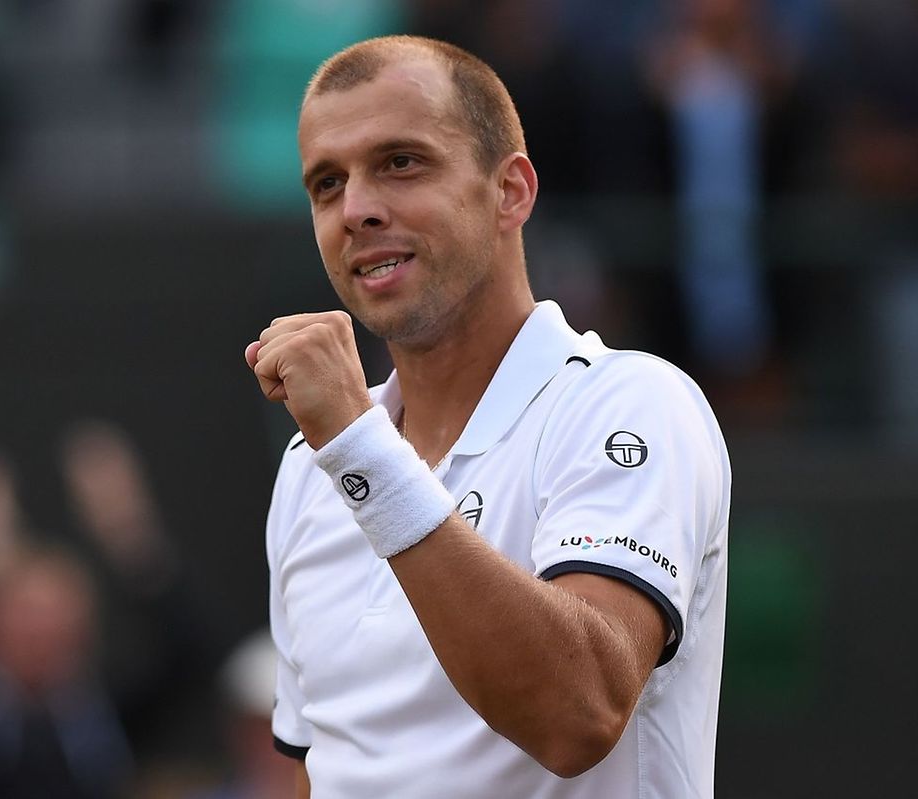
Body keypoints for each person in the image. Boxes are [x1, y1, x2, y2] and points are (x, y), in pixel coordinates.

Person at [245, 35, 730, 798]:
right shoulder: (311, 468)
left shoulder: (632, 402)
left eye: (400, 162)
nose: (357, 210)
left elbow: (578, 714)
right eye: (327, 184)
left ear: (511, 191)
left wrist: (359, 450)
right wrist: (351, 448)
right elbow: (318, 767)